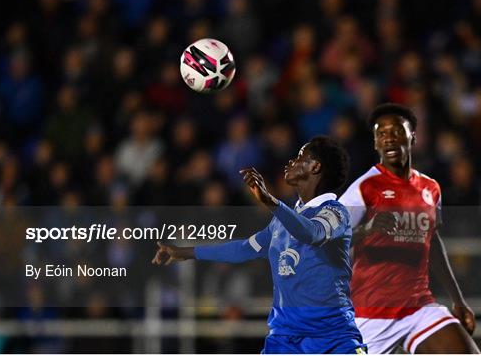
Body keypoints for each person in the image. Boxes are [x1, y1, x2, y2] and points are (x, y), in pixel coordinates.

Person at [152, 136, 366, 354]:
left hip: (331, 337)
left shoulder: (336, 212)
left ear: (315, 166)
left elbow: (313, 233)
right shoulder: (281, 221)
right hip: (285, 339)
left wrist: (271, 203)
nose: (290, 162)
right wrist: (187, 252)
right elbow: (243, 248)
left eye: (300, 157)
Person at [339, 103, 480, 353]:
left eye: (396, 131)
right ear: (375, 143)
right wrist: (368, 229)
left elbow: (432, 242)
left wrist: (458, 300)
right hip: (371, 313)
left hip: (418, 306)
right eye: (381, 134)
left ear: (412, 136)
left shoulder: (430, 188)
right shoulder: (364, 187)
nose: (389, 139)